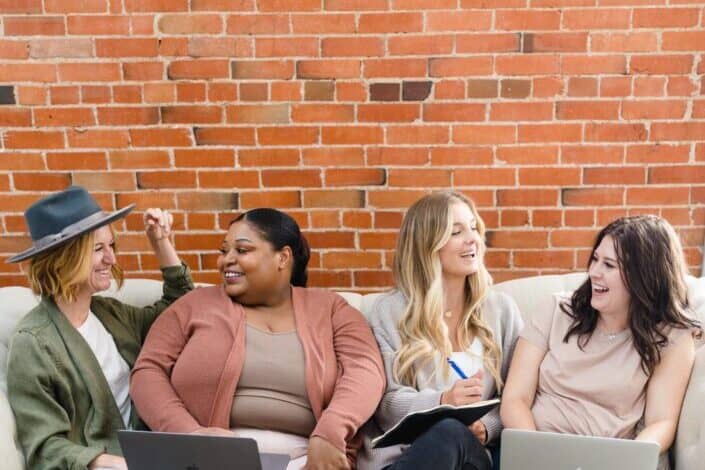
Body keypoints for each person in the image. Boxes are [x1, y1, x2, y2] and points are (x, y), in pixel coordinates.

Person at [130, 208, 385, 469]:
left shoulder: (331, 309)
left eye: (242, 250)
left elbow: (365, 369)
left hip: (307, 461)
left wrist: (331, 430)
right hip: (207, 460)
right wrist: (189, 435)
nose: (226, 260)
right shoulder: (192, 305)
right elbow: (148, 370)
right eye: (224, 251)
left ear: (283, 257)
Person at [6, 186, 193, 470]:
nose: (112, 259)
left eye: (112, 246)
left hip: (157, 449)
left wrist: (161, 243)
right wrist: (118, 464)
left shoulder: (109, 314)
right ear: (64, 259)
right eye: (98, 249)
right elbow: (44, 446)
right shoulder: (32, 342)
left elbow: (180, 310)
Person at [500, 215, 702, 457]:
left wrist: (627, 460)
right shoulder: (554, 310)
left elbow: (661, 422)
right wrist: (537, 453)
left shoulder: (672, 337)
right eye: (595, 259)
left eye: (609, 265)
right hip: (536, 451)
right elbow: (515, 399)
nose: (594, 272)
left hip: (605, 460)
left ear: (644, 276)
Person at [357, 191, 524, 470]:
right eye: (456, 232)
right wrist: (443, 401)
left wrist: (486, 426)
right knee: (446, 428)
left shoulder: (501, 310)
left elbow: (519, 394)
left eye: (474, 227)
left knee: (450, 431)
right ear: (427, 245)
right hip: (402, 458)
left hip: (470, 457)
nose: (472, 238)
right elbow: (385, 405)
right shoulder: (388, 311)